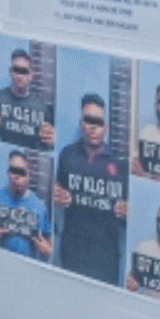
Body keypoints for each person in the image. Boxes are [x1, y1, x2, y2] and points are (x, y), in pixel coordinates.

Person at [52, 93, 128, 284]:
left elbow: (130, 211)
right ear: (81, 124)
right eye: (88, 120)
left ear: (106, 127)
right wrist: (55, 194)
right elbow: (55, 191)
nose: (93, 127)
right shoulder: (67, 156)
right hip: (72, 252)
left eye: (98, 122)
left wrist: (128, 211)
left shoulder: (120, 164)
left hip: (106, 258)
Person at [0, 151, 53, 260]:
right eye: (12, 171)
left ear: (29, 176)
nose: (15, 177)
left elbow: (49, 248)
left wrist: (47, 250)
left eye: (21, 172)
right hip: (1, 260)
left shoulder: (40, 207)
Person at [0, 47, 55, 149]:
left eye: (23, 71)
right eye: (16, 70)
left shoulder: (41, 106)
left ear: (31, 76)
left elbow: (49, 142)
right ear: (10, 72)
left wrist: (52, 141)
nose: (19, 76)